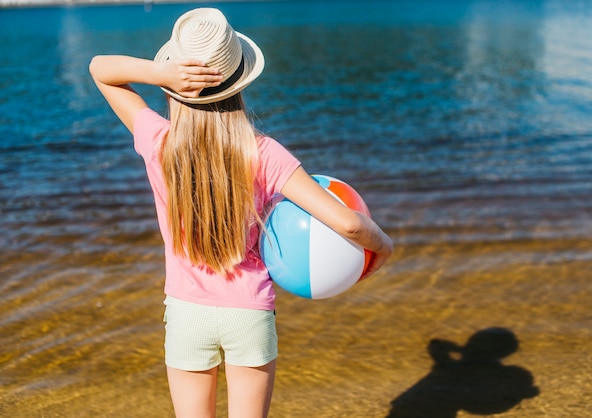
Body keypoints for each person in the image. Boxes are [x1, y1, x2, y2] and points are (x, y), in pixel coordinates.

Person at [89, 8, 393, 418]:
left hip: (186, 312)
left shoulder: (158, 141)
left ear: (176, 86)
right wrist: (384, 248)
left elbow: (100, 68)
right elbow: (350, 224)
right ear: (239, 83)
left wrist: (162, 75)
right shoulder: (263, 153)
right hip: (248, 312)